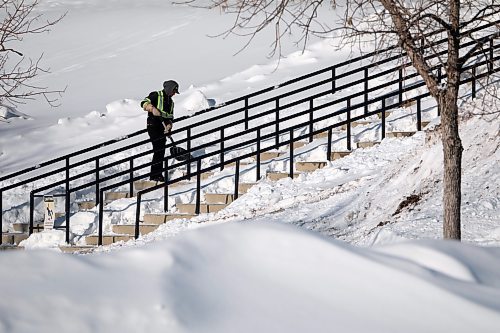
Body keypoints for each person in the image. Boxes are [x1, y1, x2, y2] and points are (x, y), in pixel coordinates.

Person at [140, 80, 179, 182]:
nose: (174, 94)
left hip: (162, 128)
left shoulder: (171, 102)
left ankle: (158, 174)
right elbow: (143, 103)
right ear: (169, 89)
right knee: (158, 149)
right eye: (174, 91)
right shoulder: (156, 95)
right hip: (153, 125)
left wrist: (169, 126)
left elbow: (170, 117)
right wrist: (152, 108)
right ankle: (154, 175)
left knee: (161, 150)